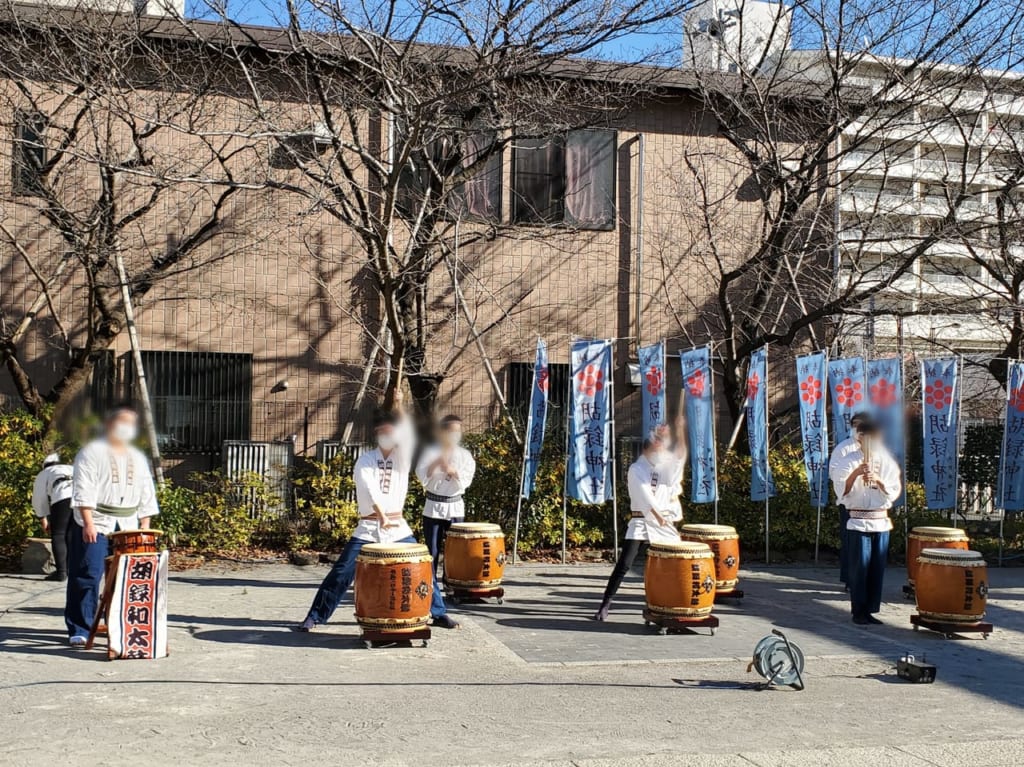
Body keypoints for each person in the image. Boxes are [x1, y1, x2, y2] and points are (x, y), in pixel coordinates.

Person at [296, 391, 458, 631]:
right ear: (376, 435)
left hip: (397, 527)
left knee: (422, 566)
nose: (387, 436)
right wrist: (380, 515)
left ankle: (438, 612)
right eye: (382, 432)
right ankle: (315, 616)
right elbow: (369, 489)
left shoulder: (402, 458)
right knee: (342, 572)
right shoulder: (365, 460)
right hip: (369, 526)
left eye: (391, 432)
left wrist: (401, 404)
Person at [67, 404, 159, 647]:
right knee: (88, 573)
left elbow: (146, 491)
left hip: (128, 524)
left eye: (131, 424)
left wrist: (145, 525)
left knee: (122, 578)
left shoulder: (137, 457)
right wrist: (87, 522)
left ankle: (117, 623)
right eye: (122, 422)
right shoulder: (91, 452)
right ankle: (80, 627)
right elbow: (83, 487)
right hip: (95, 521)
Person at [593, 418, 686, 622]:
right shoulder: (636, 469)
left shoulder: (663, 467)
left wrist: (679, 432)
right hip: (641, 520)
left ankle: (671, 603)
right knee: (625, 564)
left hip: (662, 523)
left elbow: (678, 461)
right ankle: (606, 603)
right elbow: (644, 495)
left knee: (674, 562)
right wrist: (658, 514)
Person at [828, 411, 902, 625]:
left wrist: (878, 480)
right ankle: (858, 610)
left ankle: (870, 608)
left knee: (876, 569)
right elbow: (840, 490)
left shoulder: (886, 460)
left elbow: (894, 489)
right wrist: (855, 473)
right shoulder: (846, 457)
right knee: (859, 567)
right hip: (858, 520)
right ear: (858, 436)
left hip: (880, 520)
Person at [416, 414, 476, 579]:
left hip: (454, 505)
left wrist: (453, 472)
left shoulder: (465, 455)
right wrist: (436, 464)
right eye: (451, 431)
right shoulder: (430, 452)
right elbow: (421, 475)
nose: (454, 435)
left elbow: (467, 477)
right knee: (432, 548)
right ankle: (431, 581)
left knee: (455, 548)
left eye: (457, 431)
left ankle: (452, 581)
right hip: (433, 505)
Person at [835, 412, 872, 587]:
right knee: (851, 543)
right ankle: (850, 580)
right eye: (856, 425)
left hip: (872, 506)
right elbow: (835, 475)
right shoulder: (844, 448)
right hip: (850, 503)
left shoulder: (876, 449)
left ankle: (865, 580)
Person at [31, 453, 75, 582]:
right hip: (81, 497)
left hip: (62, 497)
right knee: (73, 534)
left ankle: (61, 572)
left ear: (45, 465)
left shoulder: (45, 473)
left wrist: (42, 518)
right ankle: (72, 569)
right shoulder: (72, 468)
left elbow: (39, 499)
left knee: (59, 534)